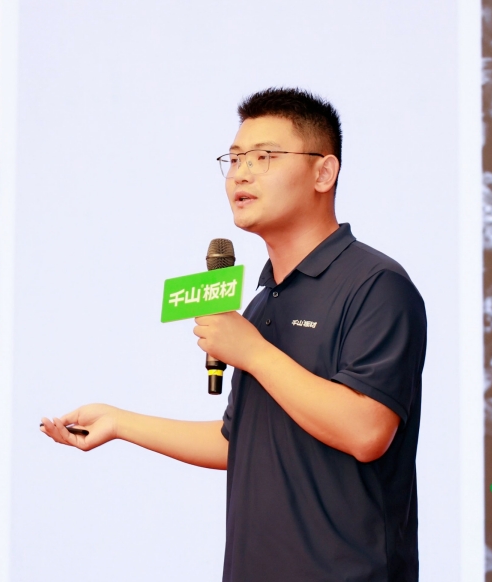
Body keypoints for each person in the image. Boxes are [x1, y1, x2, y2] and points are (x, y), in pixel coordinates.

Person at [40, 87, 427, 581]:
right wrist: (120, 423)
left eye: (264, 157)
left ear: (323, 173)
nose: (241, 173)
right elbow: (238, 442)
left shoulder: (375, 284)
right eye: (235, 158)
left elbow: (367, 432)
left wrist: (254, 353)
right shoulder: (263, 302)